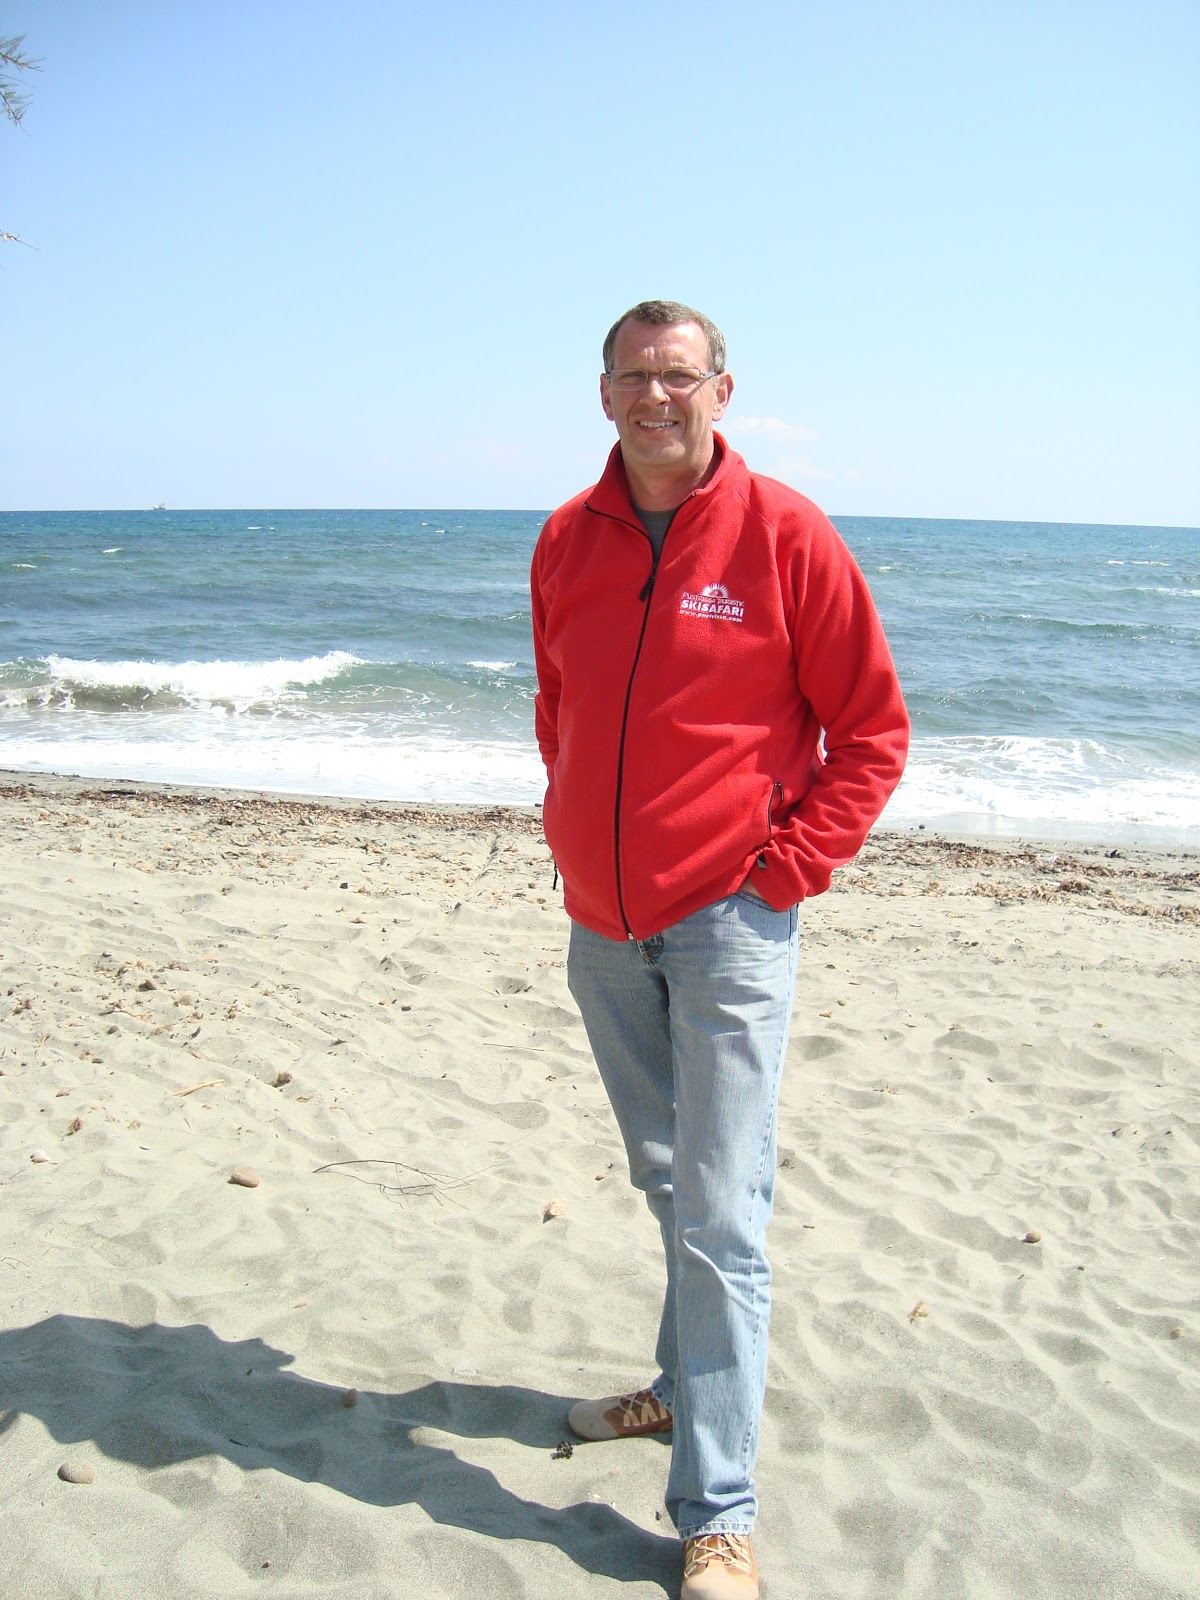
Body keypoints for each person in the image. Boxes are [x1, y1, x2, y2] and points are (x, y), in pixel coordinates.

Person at [530, 300, 909, 1599]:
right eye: (633, 375)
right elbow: (561, 706)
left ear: (721, 391)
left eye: (678, 375)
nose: (656, 395)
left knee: (722, 1214)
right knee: (668, 1184)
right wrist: (575, 832)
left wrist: (782, 872)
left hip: (728, 928)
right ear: (603, 393)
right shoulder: (565, 539)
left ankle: (720, 1513)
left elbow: (873, 733)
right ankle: (679, 1386)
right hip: (601, 927)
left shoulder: (785, 533)